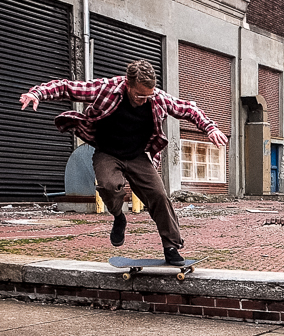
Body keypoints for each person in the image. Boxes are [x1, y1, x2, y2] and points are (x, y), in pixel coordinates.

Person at [20, 59, 228, 264]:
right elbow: (68, 87)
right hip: (107, 152)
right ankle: (119, 217)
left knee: (159, 196)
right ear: (127, 84)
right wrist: (37, 93)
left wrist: (209, 127)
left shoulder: (157, 98)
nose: (144, 100)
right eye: (139, 95)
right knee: (109, 185)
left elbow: (188, 108)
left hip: (137, 156)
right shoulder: (106, 89)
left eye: (148, 95)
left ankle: (171, 246)